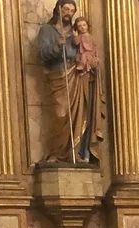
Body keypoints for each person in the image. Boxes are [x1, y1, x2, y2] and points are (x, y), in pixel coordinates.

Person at [35, 1, 105, 163]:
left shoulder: (77, 33)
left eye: (72, 10)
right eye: (66, 9)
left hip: (78, 76)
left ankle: (77, 152)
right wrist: (57, 46)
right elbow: (42, 54)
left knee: (81, 114)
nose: (69, 13)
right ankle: (56, 153)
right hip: (59, 76)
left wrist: (92, 64)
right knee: (61, 114)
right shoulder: (47, 30)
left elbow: (88, 51)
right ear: (58, 10)